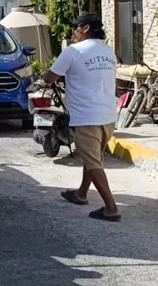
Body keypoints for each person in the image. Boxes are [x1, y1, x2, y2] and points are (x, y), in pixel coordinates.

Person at [43, 13, 121, 222]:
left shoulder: (73, 51)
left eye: (75, 28)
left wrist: (47, 76)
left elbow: (49, 77)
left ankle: (111, 208)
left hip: (87, 116)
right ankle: (81, 193)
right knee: (93, 156)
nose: (73, 32)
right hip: (108, 115)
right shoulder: (108, 51)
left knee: (94, 162)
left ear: (85, 28)